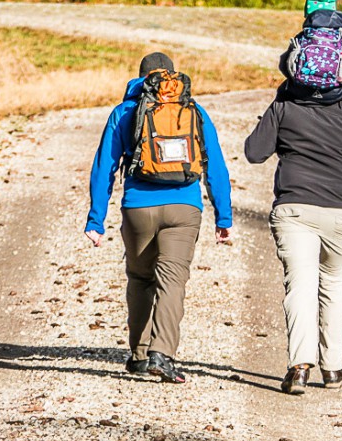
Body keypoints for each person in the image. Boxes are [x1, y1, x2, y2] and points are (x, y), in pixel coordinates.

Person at [245, 30, 342, 395]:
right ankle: (334, 366)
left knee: (300, 285)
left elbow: (254, 152)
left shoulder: (284, 106)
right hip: (340, 212)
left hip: (294, 210)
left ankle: (299, 366)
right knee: (334, 283)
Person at [85, 52, 233, 384]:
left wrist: (96, 220)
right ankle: (162, 354)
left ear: (141, 77)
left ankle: (138, 355)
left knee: (140, 279)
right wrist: (223, 216)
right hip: (185, 208)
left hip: (138, 208)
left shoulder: (124, 112)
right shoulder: (193, 111)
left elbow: (103, 170)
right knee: (172, 282)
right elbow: (216, 166)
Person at [276, 0, 342, 105]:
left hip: (301, 92)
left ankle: (266, 123)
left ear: (308, 12)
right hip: (336, 93)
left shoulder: (302, 36)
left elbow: (284, 65)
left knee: (281, 94)